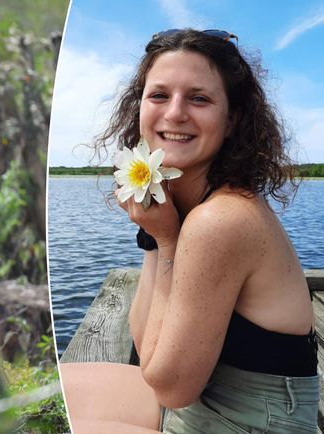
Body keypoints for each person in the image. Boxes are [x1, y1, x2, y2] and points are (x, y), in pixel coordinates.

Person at [59, 29, 318, 433]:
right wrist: (155, 233)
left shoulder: (223, 219)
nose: (175, 113)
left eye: (199, 98)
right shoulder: (195, 206)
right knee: (51, 391)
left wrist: (166, 240)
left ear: (232, 120)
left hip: (252, 420)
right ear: (139, 107)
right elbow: (148, 349)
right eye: (159, 95)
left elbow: (170, 387)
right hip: (205, 399)